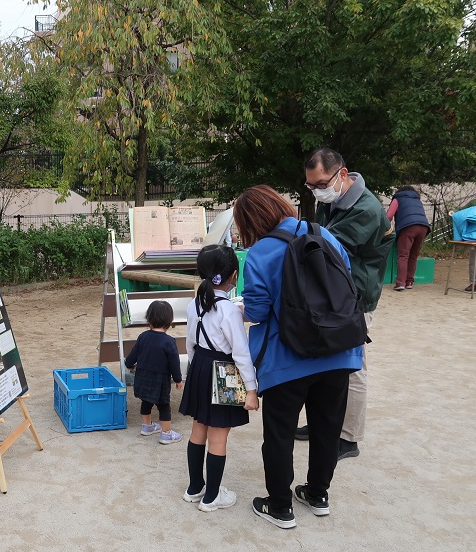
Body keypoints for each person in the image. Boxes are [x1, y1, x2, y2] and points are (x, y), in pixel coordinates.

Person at [235, 185, 363, 529]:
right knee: (327, 428)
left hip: (287, 357)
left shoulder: (262, 252)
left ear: (250, 222)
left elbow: (259, 311)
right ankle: (318, 495)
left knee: (279, 433)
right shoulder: (326, 236)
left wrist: (243, 307)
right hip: (339, 351)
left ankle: (279, 505)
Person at [299, 148, 393, 460]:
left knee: (353, 368)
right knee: (323, 363)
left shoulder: (365, 210)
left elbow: (324, 245)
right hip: (334, 293)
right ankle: (321, 424)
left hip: (356, 298)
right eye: (312, 186)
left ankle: (349, 437)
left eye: (321, 183)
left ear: (342, 174)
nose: (317, 191)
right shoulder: (333, 199)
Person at [179, 245, 258, 512]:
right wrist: (251, 389)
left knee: (198, 428)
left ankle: (194, 488)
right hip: (223, 370)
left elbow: (190, 343)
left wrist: (195, 370)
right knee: (218, 436)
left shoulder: (194, 303)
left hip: (199, 364)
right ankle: (212, 497)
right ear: (234, 275)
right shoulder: (230, 311)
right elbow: (241, 353)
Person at [124, 300, 184, 443]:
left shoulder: (143, 336)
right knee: (164, 406)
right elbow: (174, 363)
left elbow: (133, 354)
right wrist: (178, 379)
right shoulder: (169, 341)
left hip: (143, 376)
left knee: (146, 401)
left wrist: (129, 364)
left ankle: (147, 426)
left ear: (148, 318)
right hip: (160, 380)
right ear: (170, 321)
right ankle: (166, 433)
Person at [386, 186, 431, 291]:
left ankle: (400, 283)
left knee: (403, 255)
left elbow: (388, 216)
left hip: (408, 227)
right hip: (424, 227)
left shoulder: (398, 199)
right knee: (413, 255)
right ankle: (409, 282)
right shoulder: (417, 200)